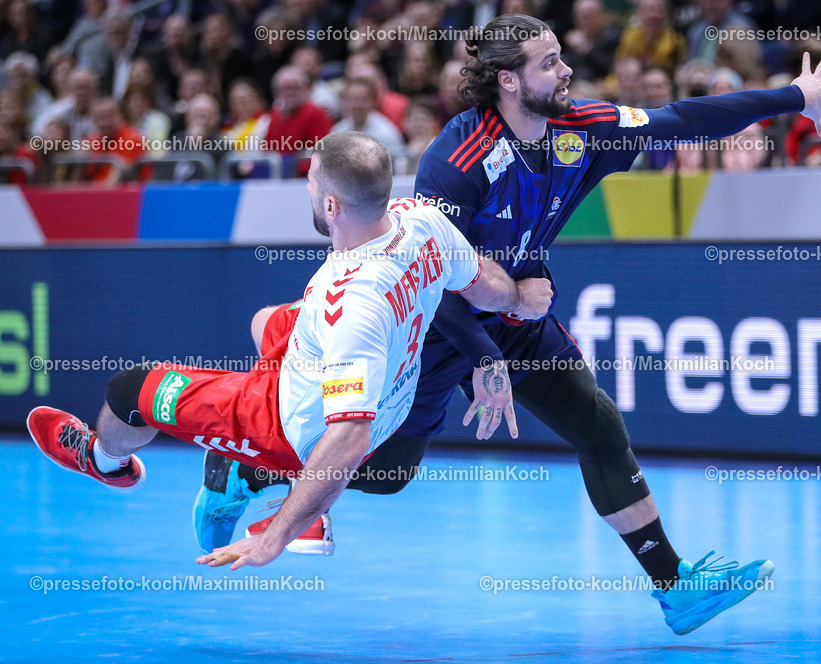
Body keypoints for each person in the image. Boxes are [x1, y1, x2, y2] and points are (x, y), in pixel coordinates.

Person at [196, 13, 821, 636]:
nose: (566, 71)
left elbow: (680, 119)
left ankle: (675, 585)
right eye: (549, 63)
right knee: (388, 471)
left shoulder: (581, 128)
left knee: (598, 426)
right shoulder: (459, 157)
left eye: (561, 58)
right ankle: (249, 469)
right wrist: (484, 357)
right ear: (509, 80)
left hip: (516, 314)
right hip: (434, 325)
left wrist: (796, 97)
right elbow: (429, 274)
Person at [27, 130, 554, 571]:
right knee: (264, 322)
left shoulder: (353, 304)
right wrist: (518, 298)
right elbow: (482, 282)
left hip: (286, 423)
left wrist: (275, 536)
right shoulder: (420, 221)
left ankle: (104, 461)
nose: (307, 188)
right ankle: (236, 469)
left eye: (311, 183)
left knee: (129, 390)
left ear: (332, 205)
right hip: (359, 374)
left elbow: (349, 436)